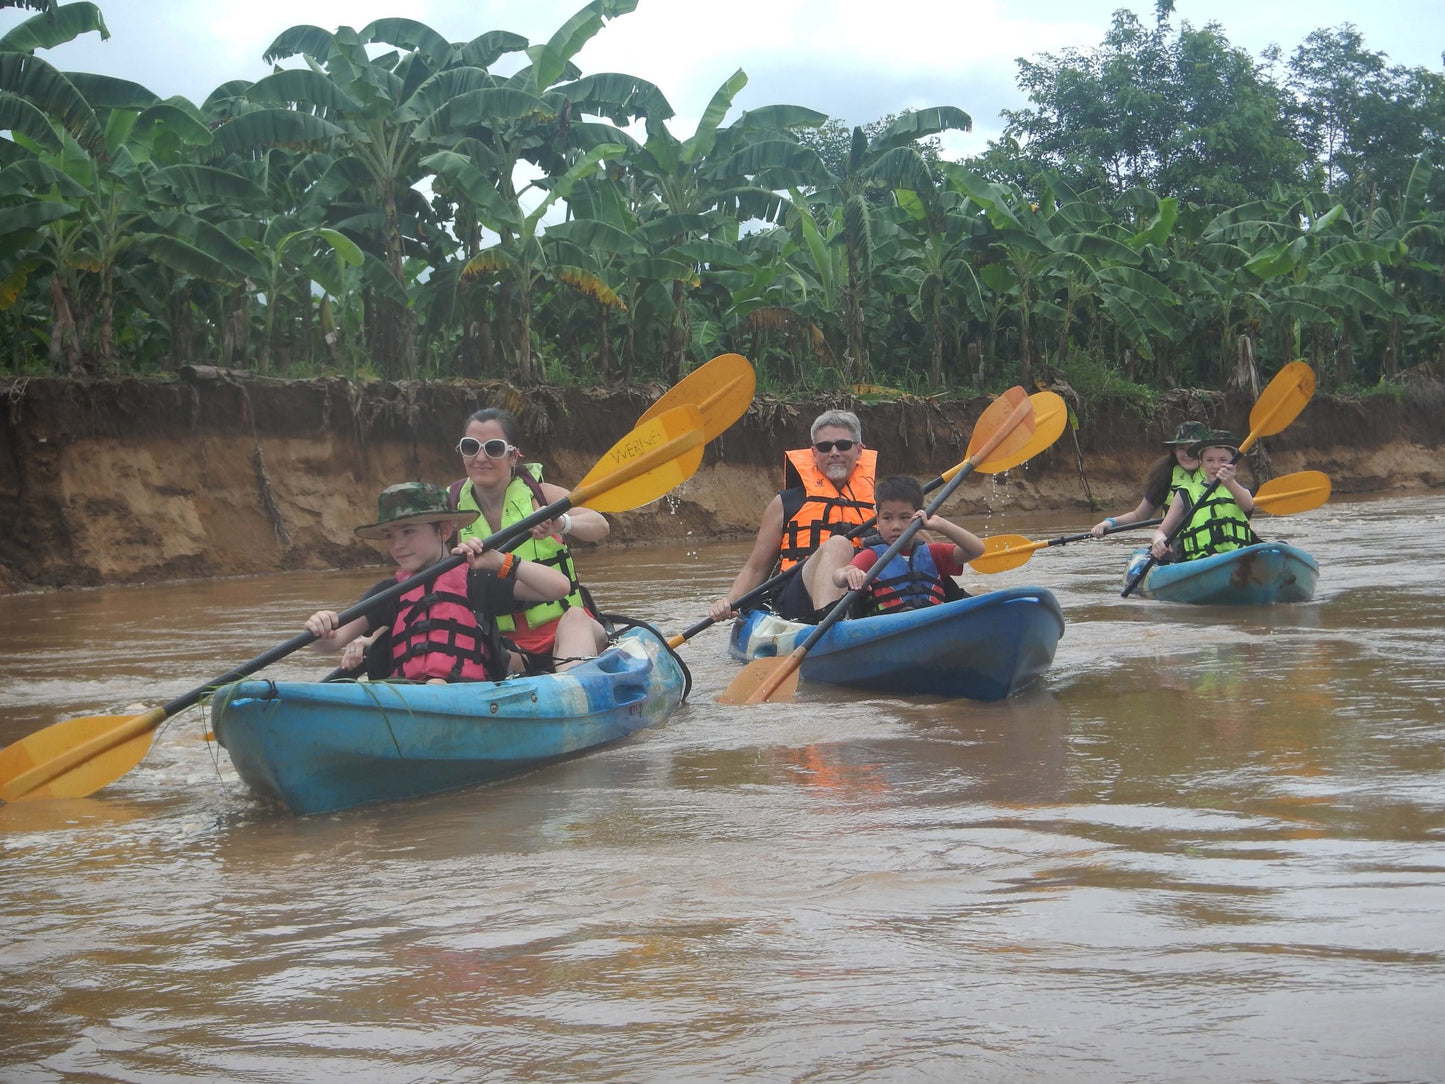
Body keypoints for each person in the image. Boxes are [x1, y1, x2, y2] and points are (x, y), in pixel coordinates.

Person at [304, 482, 570, 683]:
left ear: (443, 530)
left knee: (437, 685)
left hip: (470, 695)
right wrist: (321, 627)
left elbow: (559, 587)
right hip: (406, 697)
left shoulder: (475, 578)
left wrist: (499, 561)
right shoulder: (389, 592)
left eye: (408, 531)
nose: (398, 544)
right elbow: (331, 643)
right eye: (390, 535)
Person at [448, 407, 609, 671]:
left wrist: (562, 523)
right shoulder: (450, 507)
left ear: (513, 456)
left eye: (494, 448)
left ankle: (573, 692)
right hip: (504, 644)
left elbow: (600, 526)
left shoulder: (542, 494)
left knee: (576, 618)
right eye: (471, 447)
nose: (480, 457)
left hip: (565, 629)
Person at [708, 409, 878, 623]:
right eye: (825, 447)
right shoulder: (785, 503)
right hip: (797, 597)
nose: (834, 452)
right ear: (814, 453)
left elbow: (913, 549)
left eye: (843, 445)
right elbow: (756, 567)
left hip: (862, 590)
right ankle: (831, 624)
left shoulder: (880, 505)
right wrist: (729, 601)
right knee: (838, 545)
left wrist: (929, 525)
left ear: (859, 450)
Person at [832, 475, 984, 613]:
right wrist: (849, 574)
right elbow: (838, 576)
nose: (896, 526)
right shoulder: (871, 556)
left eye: (905, 517)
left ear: (919, 516)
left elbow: (977, 549)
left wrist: (940, 524)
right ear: (877, 521)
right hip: (889, 630)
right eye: (887, 518)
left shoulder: (933, 553)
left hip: (933, 623)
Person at [1149, 431, 1259, 562]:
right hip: (1201, 562)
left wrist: (1229, 482)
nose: (1216, 465)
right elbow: (1160, 531)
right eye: (1209, 460)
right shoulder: (1185, 493)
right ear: (1201, 462)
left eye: (1223, 460)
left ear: (1234, 464)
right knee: (1214, 558)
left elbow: (1247, 505)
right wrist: (1158, 539)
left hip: (1239, 559)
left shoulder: (1240, 491)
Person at [1089, 420, 1208, 538]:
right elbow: (1139, 516)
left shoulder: (1218, 474)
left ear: (1205, 450)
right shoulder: (1165, 476)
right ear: (1174, 451)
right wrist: (1109, 523)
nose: (1187, 454)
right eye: (1182, 448)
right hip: (1176, 548)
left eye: (1193, 448)